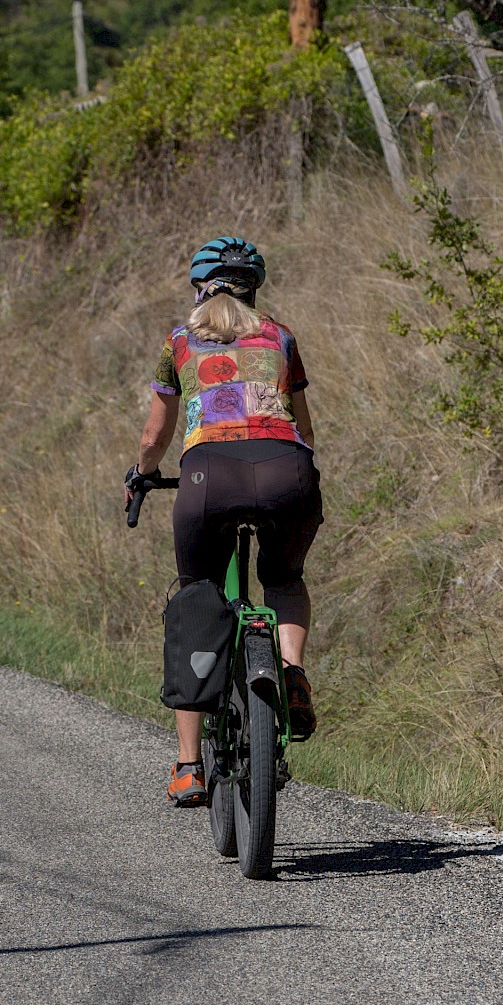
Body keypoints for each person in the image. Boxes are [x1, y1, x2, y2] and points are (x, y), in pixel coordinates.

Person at [126, 236, 322, 807]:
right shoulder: (281, 336)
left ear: (200, 288)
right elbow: (305, 428)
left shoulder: (179, 341)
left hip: (208, 476)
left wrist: (142, 475)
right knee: (283, 576)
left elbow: (154, 437)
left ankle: (189, 766)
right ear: (253, 289)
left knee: (197, 602)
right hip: (287, 471)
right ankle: (291, 672)